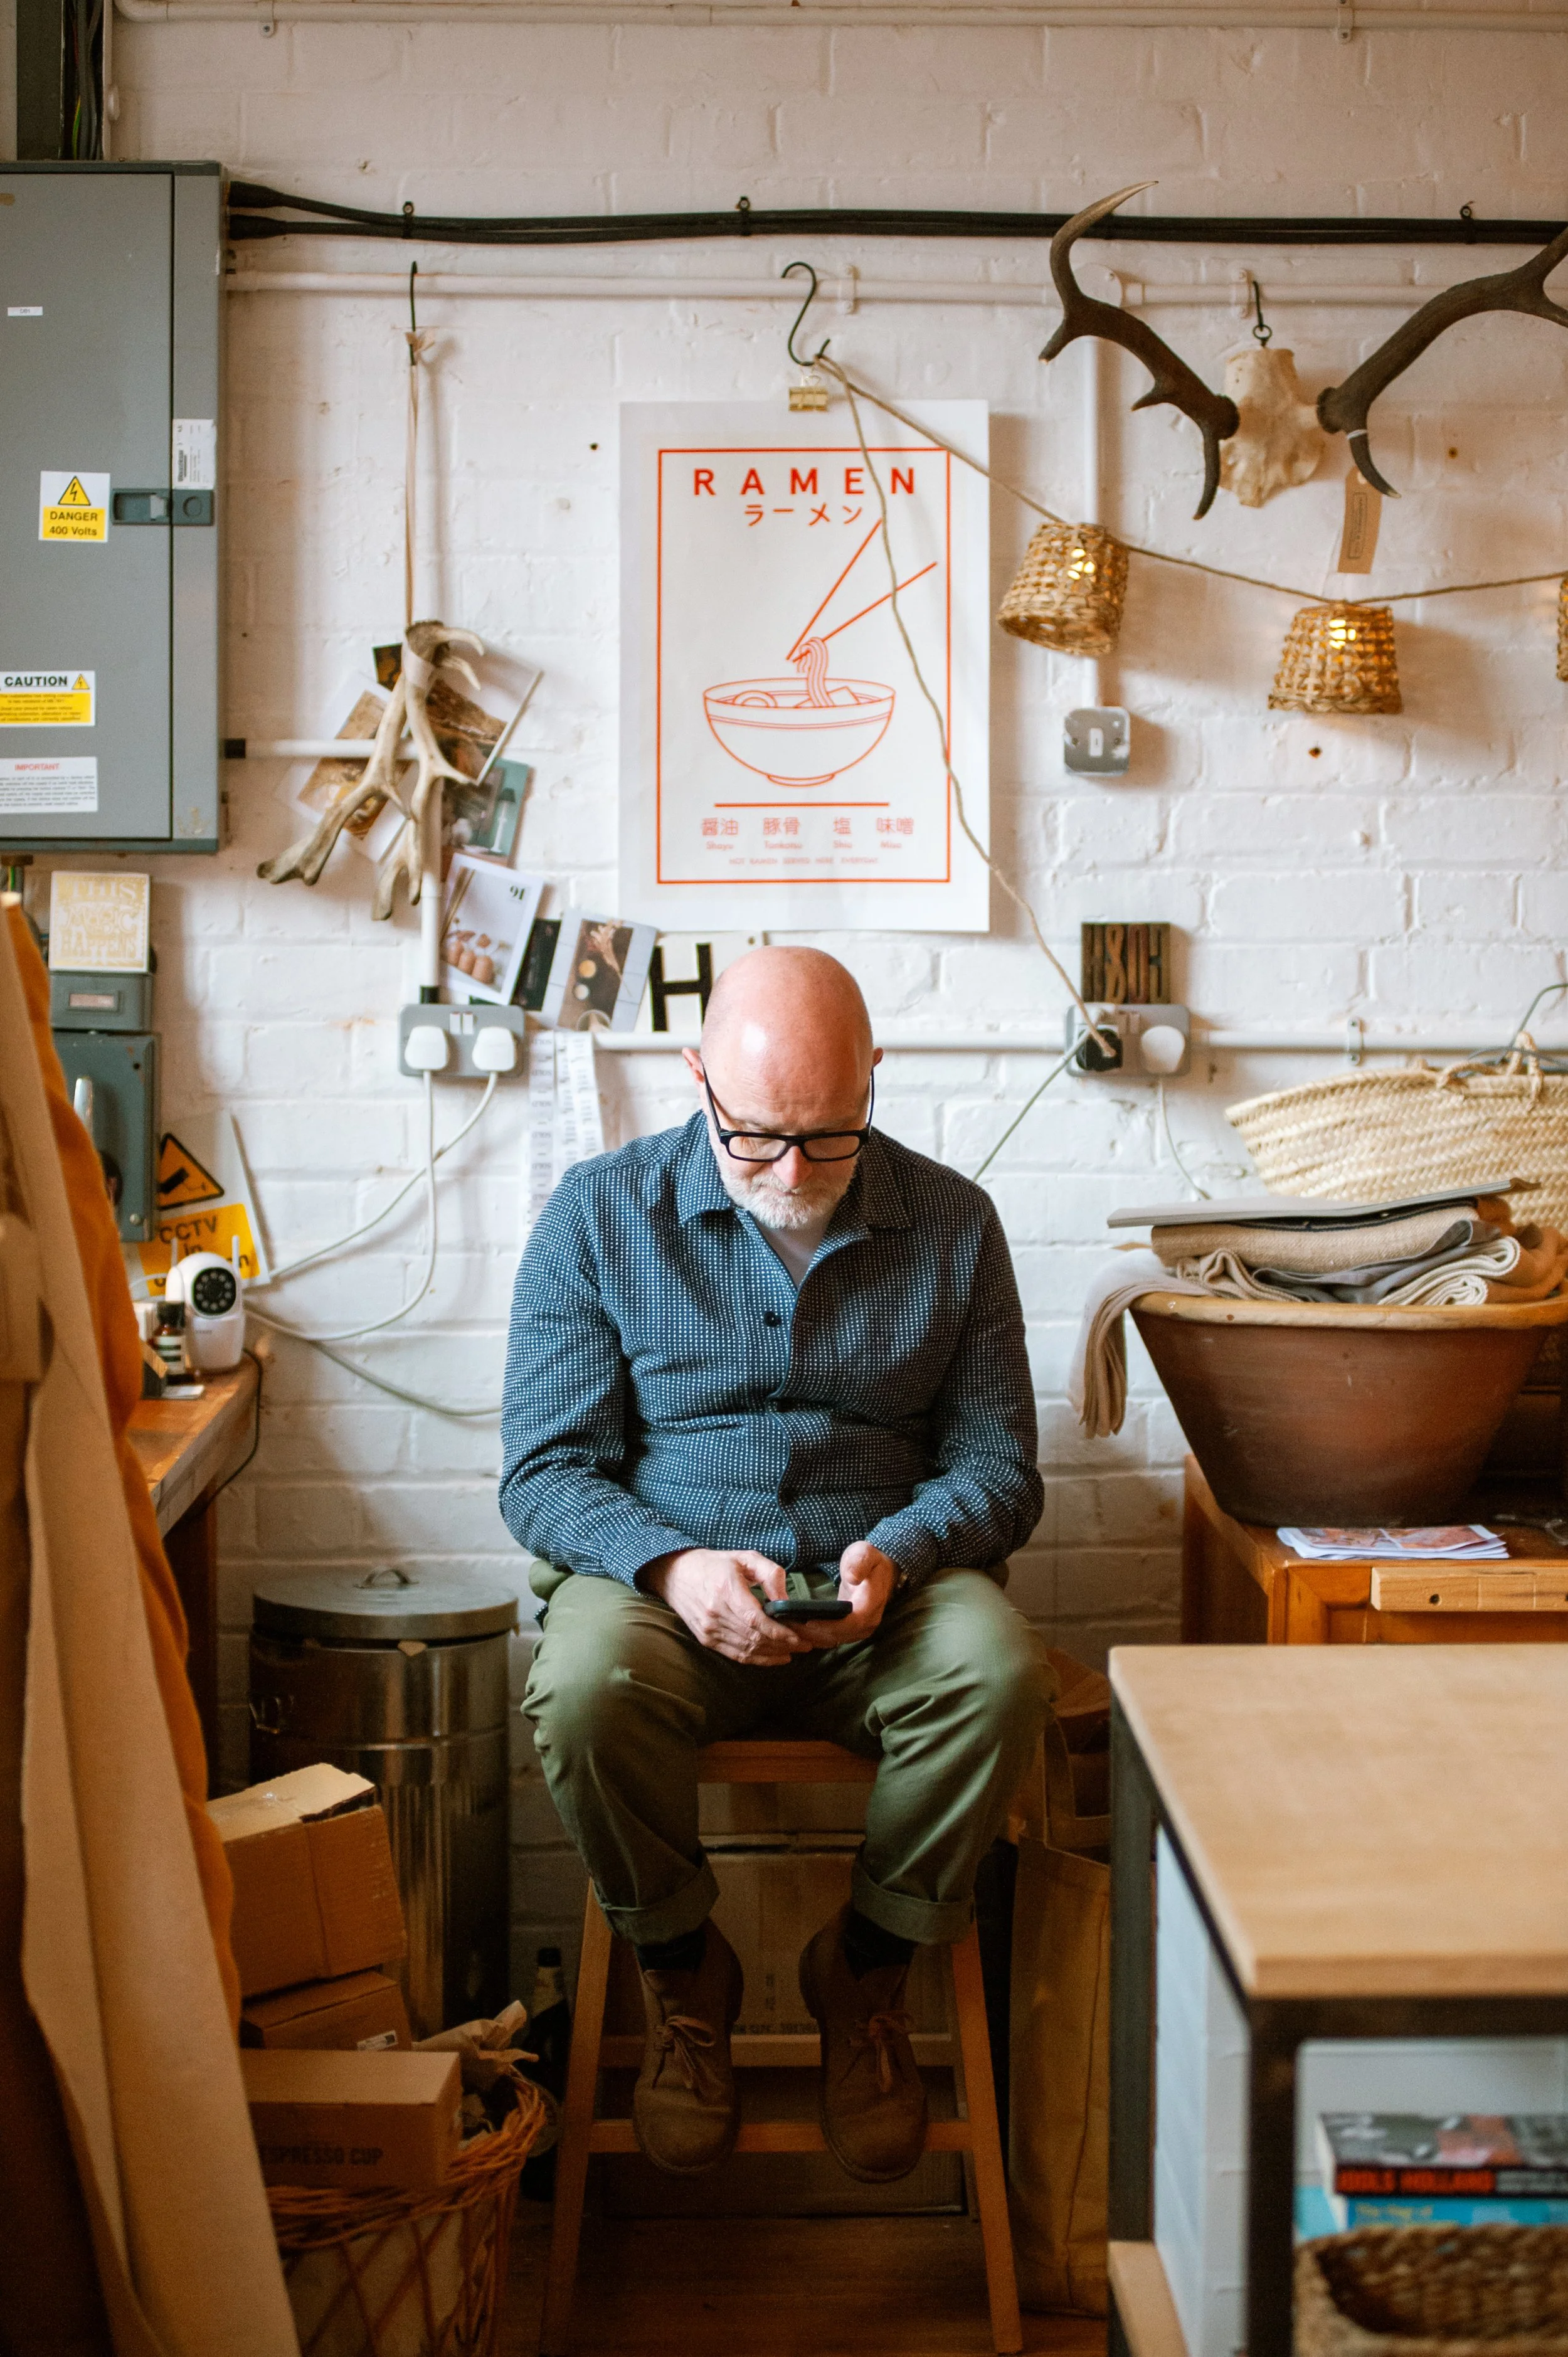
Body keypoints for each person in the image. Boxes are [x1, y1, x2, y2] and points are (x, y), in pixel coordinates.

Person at [500, 946, 1052, 2183]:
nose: (793, 1173)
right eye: (753, 1137)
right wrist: (671, 1567)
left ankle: (864, 1972)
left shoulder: (954, 1223)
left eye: (828, 1135)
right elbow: (542, 1473)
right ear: (695, 1077)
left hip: (885, 1601)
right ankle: (682, 1972)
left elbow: (1000, 1471)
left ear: (874, 1078)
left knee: (1000, 1676)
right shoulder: (598, 1215)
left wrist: (901, 1551)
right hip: (666, 1603)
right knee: (580, 1688)